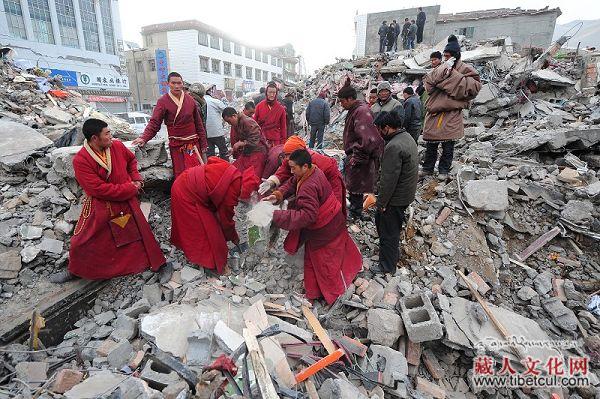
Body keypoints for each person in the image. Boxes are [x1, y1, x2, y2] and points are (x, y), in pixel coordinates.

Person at [50, 119, 168, 283]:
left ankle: (153, 264)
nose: (111, 136)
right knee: (82, 240)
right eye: (107, 134)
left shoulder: (117, 146)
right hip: (102, 204)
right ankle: (76, 270)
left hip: (127, 201)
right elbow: (97, 189)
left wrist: (136, 179)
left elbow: (131, 161)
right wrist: (130, 189)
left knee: (141, 235)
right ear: (94, 139)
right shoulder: (81, 160)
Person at [264, 149, 362, 305]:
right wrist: (278, 195)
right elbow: (291, 182)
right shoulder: (312, 171)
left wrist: (276, 214)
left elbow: (307, 216)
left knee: (325, 262)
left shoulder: (309, 186)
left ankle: (335, 294)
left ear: (304, 166)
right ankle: (312, 293)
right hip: (331, 217)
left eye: (293, 168)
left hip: (326, 226)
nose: (291, 171)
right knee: (313, 255)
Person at [171, 157, 259, 275]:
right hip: (185, 193)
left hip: (187, 181)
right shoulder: (233, 190)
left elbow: (213, 160)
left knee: (211, 226)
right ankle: (209, 264)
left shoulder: (234, 172)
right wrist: (234, 237)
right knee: (206, 232)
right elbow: (225, 220)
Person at [422, 35, 482, 181]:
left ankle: (443, 170)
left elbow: (473, 88)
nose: (446, 58)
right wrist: (444, 73)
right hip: (434, 112)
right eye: (445, 56)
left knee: (448, 146)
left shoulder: (466, 69)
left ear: (456, 56)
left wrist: (448, 79)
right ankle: (427, 168)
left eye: (449, 56)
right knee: (431, 144)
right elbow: (429, 82)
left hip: (452, 113)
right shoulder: (440, 68)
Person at [133, 72, 208, 178]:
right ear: (168, 84)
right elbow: (155, 123)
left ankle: (197, 193)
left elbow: (199, 124)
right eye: (173, 83)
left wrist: (204, 143)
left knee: (195, 170)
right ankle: (183, 194)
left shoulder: (190, 100)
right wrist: (144, 138)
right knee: (181, 173)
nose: (177, 86)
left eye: (179, 83)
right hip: (177, 145)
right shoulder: (163, 101)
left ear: (182, 84)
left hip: (191, 144)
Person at [371, 112, 418, 274]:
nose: (378, 133)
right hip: (405, 194)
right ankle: (392, 256)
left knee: (388, 231)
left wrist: (382, 203)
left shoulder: (394, 146)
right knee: (391, 227)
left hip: (395, 198)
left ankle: (387, 266)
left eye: (379, 129)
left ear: (387, 128)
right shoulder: (407, 137)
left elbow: (389, 179)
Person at [259, 136, 346, 216]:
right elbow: (285, 174)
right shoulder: (291, 159)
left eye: (288, 155)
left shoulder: (313, 165)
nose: (287, 158)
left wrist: (280, 216)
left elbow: (306, 190)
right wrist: (272, 183)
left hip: (331, 180)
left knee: (332, 210)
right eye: (285, 155)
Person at [337, 85, 384, 221]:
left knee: (356, 184)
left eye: (342, 101)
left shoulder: (361, 112)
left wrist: (356, 157)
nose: (341, 104)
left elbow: (367, 138)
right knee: (354, 185)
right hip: (356, 154)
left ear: (350, 98)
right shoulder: (355, 110)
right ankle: (356, 210)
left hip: (360, 155)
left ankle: (356, 212)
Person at [222, 107, 268, 178]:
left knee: (252, 176)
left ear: (234, 116)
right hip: (248, 152)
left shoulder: (247, 121)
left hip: (258, 151)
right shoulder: (236, 124)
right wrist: (234, 149)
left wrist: (242, 143)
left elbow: (256, 137)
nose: (229, 124)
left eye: (229, 121)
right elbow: (239, 139)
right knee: (235, 170)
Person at [253, 81, 287, 147]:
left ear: (276, 93)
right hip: (262, 138)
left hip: (275, 139)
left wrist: (283, 143)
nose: (272, 95)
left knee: (274, 156)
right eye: (270, 92)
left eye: (274, 93)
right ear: (266, 93)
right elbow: (254, 123)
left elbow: (283, 127)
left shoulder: (281, 108)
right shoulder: (259, 106)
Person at [203, 85, 228, 160]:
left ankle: (212, 169)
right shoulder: (215, 101)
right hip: (217, 132)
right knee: (223, 152)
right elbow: (227, 110)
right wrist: (223, 97)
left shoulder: (199, 102)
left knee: (210, 154)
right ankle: (225, 168)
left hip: (206, 133)